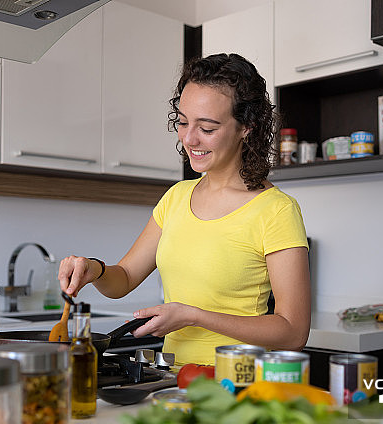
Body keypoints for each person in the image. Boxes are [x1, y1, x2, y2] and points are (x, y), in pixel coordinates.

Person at [59, 53, 310, 366]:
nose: (189, 138)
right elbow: (122, 279)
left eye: (207, 127)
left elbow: (293, 332)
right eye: (182, 122)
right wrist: (93, 268)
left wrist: (194, 316)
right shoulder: (176, 197)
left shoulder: (276, 211)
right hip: (170, 384)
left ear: (246, 127)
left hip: (237, 386)